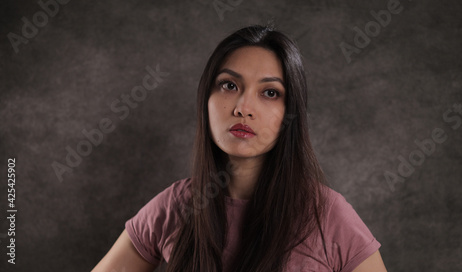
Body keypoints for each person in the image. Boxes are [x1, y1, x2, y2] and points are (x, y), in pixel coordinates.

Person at [92, 25, 387, 272]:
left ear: (291, 112)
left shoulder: (328, 215)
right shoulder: (174, 207)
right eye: (229, 86)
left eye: (270, 93)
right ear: (205, 99)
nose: (243, 108)